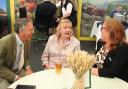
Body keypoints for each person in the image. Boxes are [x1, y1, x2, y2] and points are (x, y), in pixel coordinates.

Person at [0, 18, 34, 89]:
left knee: (33, 82)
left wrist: (27, 68)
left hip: (19, 70)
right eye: (30, 30)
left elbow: (26, 58)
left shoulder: (28, 40)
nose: (33, 32)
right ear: (21, 30)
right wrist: (15, 77)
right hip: (4, 74)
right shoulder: (4, 42)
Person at [91, 18, 128, 83]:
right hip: (100, 79)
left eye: (102, 28)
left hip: (117, 82)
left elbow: (112, 72)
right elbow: (95, 63)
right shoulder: (101, 43)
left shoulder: (123, 48)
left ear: (111, 31)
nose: (100, 30)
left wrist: (89, 70)